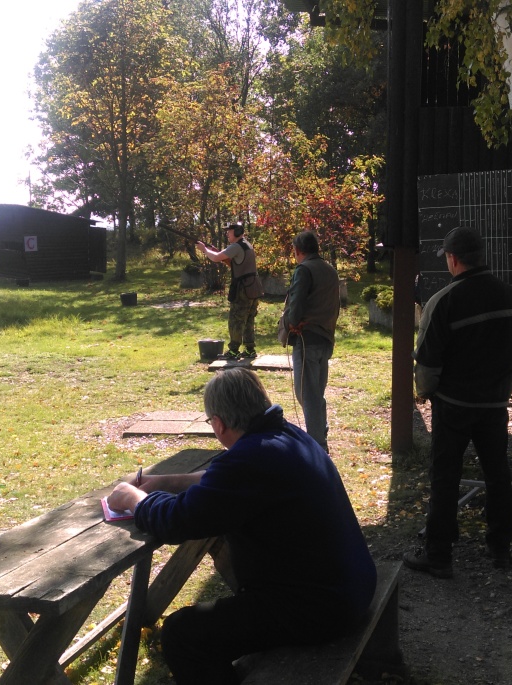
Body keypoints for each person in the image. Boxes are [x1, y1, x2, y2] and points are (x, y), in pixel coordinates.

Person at [107, 367, 377, 685]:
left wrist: (133, 498)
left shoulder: (251, 460)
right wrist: (166, 482)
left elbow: (177, 521)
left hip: (320, 607)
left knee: (182, 634)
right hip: (349, 585)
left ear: (219, 424)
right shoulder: (283, 436)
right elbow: (224, 481)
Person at [404, 226, 512, 577]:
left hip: (453, 405)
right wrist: (502, 391)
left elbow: (427, 365)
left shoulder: (443, 301)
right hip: (494, 404)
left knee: (445, 477)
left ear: (453, 259)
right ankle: (500, 547)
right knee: (497, 473)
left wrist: (426, 393)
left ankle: (439, 555)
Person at [280, 230, 340, 452]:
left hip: (307, 339)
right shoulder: (330, 270)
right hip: (325, 338)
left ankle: (317, 444)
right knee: (316, 392)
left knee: (307, 394)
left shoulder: (304, 269)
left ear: (297, 250)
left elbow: (296, 305)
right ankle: (320, 431)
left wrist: (290, 323)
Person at [198, 223, 263, 361]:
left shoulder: (236, 246)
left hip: (243, 289)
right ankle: (250, 349)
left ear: (237, 232)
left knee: (236, 319)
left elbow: (215, 258)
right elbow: (236, 264)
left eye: (230, 231)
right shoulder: (246, 245)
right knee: (248, 319)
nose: (227, 234)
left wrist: (204, 250)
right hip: (253, 287)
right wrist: (221, 255)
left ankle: (234, 350)